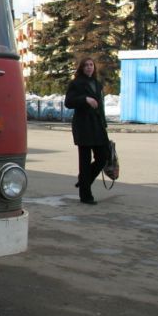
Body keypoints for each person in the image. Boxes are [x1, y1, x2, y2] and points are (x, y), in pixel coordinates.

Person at [64, 57, 109, 205]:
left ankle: (84, 180)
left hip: (97, 125)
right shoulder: (76, 83)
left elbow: (100, 106)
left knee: (103, 156)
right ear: (81, 68)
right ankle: (86, 196)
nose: (89, 67)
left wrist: (104, 124)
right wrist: (85, 99)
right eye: (86, 65)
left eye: (91, 65)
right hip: (83, 126)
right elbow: (68, 102)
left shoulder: (97, 84)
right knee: (85, 161)